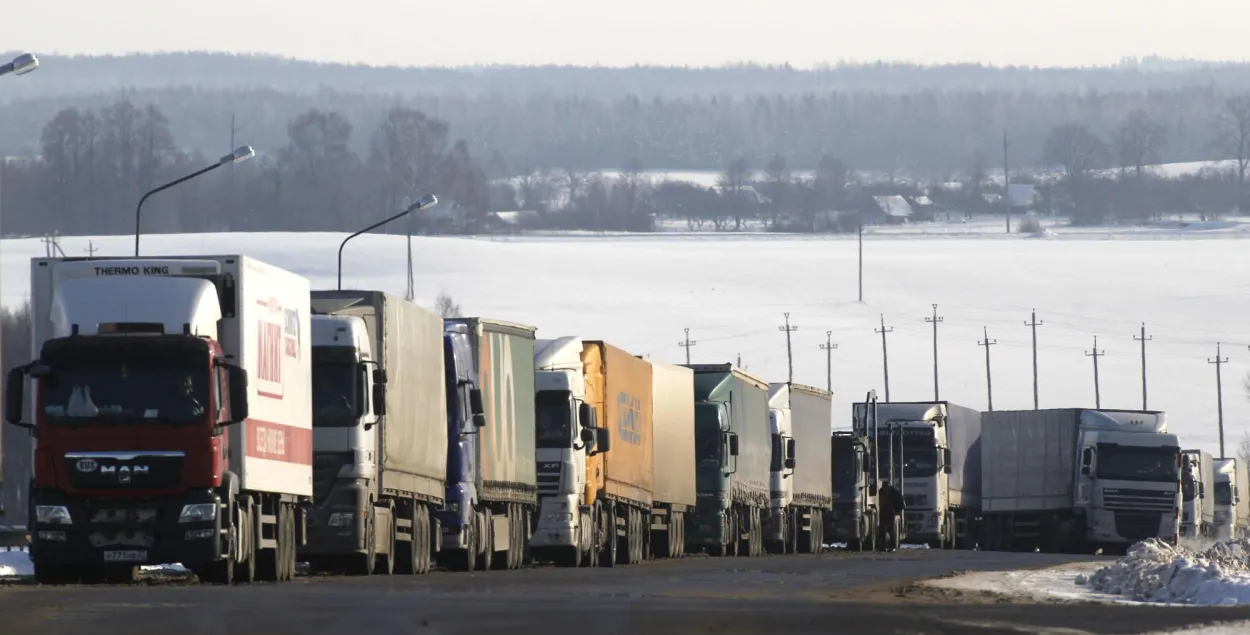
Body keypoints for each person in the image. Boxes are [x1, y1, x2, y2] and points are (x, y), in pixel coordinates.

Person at [877, 480, 906, 552]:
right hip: (882, 513)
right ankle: (882, 545)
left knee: (891, 530)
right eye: (884, 487)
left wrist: (895, 510)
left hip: (891, 514)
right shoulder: (880, 492)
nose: (885, 489)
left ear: (889, 487)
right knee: (882, 530)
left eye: (886, 487)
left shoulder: (895, 493)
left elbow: (903, 505)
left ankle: (892, 546)